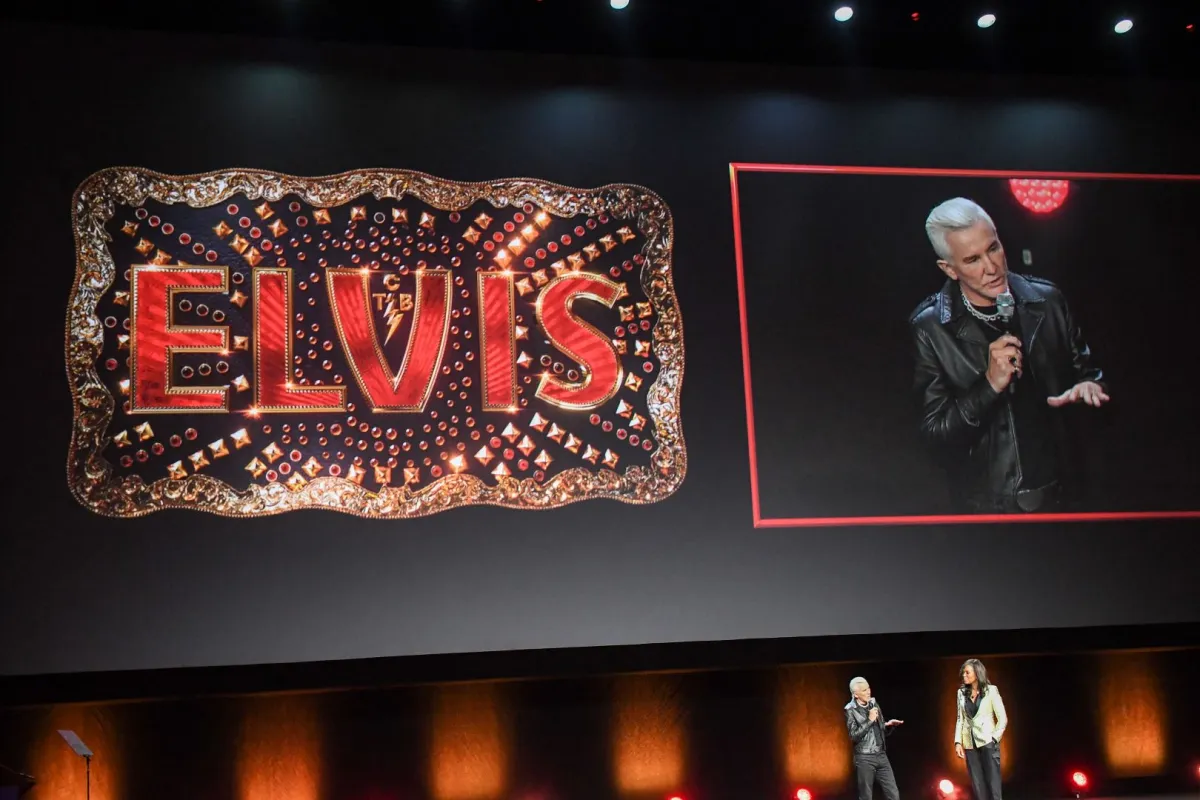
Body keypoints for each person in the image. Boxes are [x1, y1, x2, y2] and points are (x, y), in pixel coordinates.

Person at [909, 197, 1109, 513]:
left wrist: (1090, 389)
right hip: (990, 509)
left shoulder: (1047, 301)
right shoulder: (931, 328)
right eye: (972, 260)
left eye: (993, 248)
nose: (991, 268)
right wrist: (989, 385)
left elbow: (1089, 375)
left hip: (1064, 497)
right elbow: (935, 438)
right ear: (949, 269)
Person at [954, 659, 1007, 800]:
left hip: (988, 743)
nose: (964, 675)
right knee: (978, 788)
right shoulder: (961, 693)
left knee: (993, 787)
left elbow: (1002, 718)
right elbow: (960, 719)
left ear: (977, 673)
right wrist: (958, 742)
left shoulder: (991, 691)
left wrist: (994, 739)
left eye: (967, 672)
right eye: (963, 672)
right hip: (970, 745)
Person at [845, 676, 904, 800]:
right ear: (856, 695)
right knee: (866, 796)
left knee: (893, 795)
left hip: (881, 755)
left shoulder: (873, 703)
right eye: (864, 690)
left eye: (868, 688)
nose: (868, 692)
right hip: (864, 758)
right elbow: (854, 735)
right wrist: (870, 720)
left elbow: (878, 730)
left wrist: (888, 725)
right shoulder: (850, 710)